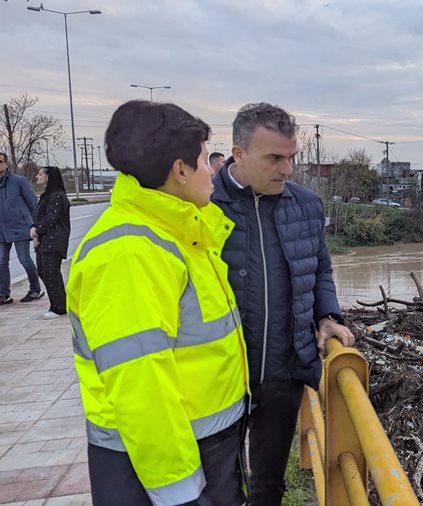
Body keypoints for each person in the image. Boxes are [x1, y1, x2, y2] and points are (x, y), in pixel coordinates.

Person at [67, 100, 249, 505]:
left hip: (201, 446)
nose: (212, 172)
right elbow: (141, 385)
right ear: (180, 170)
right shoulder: (129, 252)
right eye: (204, 160)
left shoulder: (177, 233)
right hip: (162, 467)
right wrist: (180, 493)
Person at [211, 102, 354, 505]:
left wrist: (328, 315)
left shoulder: (306, 205)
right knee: (218, 484)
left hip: (284, 369)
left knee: (268, 486)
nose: (287, 169)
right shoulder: (202, 207)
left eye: (291, 157)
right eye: (274, 158)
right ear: (239, 154)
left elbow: (320, 267)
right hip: (220, 372)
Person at [0, 152, 43, 305]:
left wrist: (36, 225)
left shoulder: (19, 181)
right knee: (1, 261)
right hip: (2, 230)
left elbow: (33, 204)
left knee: (24, 259)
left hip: (20, 227)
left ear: (6, 164)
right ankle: (3, 294)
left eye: (0, 161)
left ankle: (35, 289)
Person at [30, 166, 71, 318]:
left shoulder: (58, 196)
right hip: (43, 241)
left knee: (51, 273)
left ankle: (58, 307)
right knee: (43, 271)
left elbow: (51, 218)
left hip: (54, 241)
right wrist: (33, 227)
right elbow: (38, 216)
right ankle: (61, 302)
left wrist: (37, 231)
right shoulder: (46, 196)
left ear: (48, 177)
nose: (37, 176)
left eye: (40, 174)